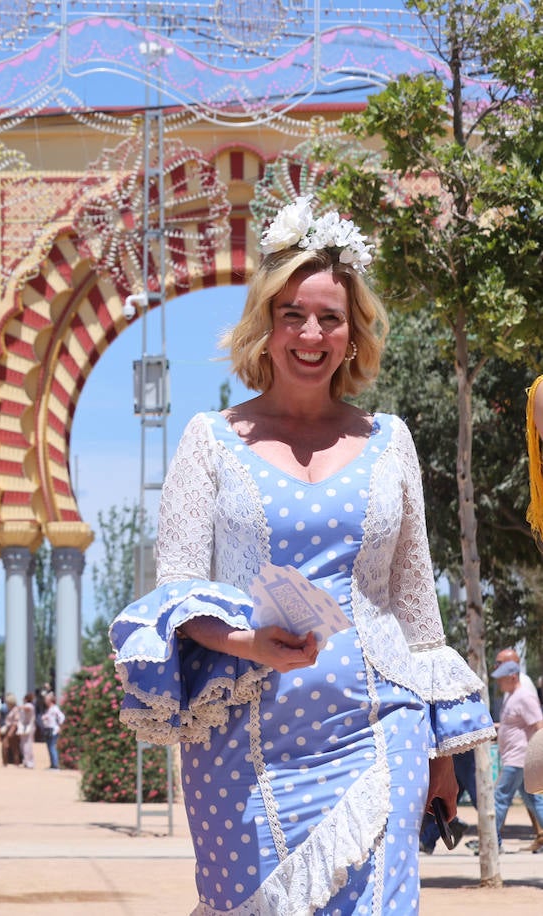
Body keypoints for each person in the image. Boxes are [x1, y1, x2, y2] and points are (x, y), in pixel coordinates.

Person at [109, 196, 494, 913]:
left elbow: (417, 609)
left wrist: (444, 756)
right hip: (244, 746)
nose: (310, 333)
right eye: (292, 314)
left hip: (381, 729)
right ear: (267, 324)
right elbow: (179, 594)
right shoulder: (209, 440)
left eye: (330, 317)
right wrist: (246, 642)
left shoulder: (392, 441)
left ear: (353, 335)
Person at [490, 659, 543, 851]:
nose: (498, 683)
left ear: (512, 677)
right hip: (516, 757)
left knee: (499, 798)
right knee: (533, 800)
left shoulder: (525, 696)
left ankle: (491, 842)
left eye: (502, 679)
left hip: (519, 758)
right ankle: (492, 841)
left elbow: (539, 725)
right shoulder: (512, 696)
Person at [40, 690, 65, 770]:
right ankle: (52, 764)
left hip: (53, 730)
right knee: (49, 747)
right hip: (48, 729)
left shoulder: (54, 708)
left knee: (52, 747)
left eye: (46, 700)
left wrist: (59, 727)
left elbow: (61, 717)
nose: (45, 701)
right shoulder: (48, 709)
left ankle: (55, 765)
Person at [15, 691, 37, 769]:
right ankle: (26, 761)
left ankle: (29, 762)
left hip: (29, 727)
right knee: (23, 745)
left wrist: (18, 707)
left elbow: (27, 708)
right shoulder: (27, 705)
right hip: (24, 727)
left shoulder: (29, 705)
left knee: (27, 746)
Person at [0, 692, 21, 766]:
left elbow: (15, 722)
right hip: (9, 729)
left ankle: (15, 763)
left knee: (13, 748)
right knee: (8, 747)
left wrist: (11, 732)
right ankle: (6, 763)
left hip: (13, 730)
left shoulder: (15, 710)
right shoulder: (10, 710)